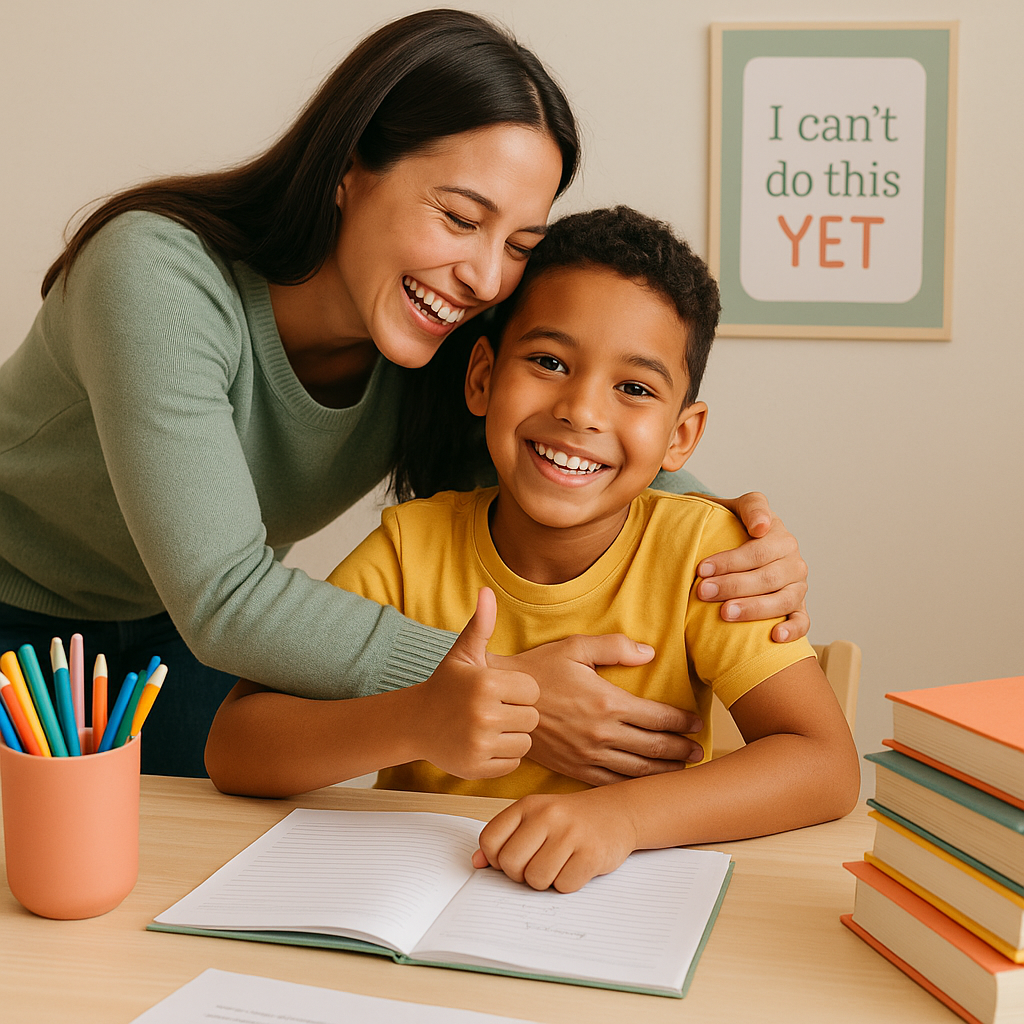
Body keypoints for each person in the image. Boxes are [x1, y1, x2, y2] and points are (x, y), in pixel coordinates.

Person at [0, 9, 809, 779]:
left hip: (184, 643)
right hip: (22, 620)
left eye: (519, 244)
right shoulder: (155, 275)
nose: (486, 278)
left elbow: (581, 433)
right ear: (350, 168)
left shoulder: (444, 336)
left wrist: (731, 543)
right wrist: (500, 688)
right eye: (460, 218)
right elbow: (226, 594)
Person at [205, 206, 860, 893]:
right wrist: (416, 720)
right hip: (414, 902)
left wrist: (624, 819)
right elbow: (236, 748)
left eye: (633, 388)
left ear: (681, 436)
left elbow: (824, 764)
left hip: (620, 909)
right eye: (549, 362)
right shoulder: (408, 549)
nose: (581, 410)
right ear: (483, 377)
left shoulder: (704, 554)